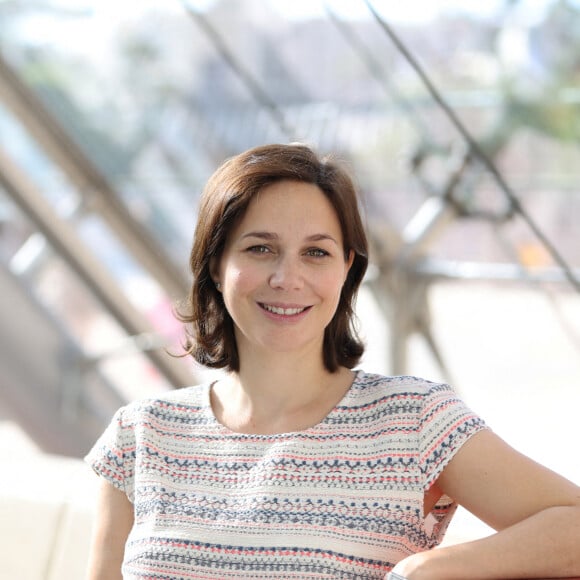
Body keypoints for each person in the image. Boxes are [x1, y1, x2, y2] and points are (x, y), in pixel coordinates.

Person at [85, 143, 580, 580]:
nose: (287, 277)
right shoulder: (142, 434)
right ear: (216, 264)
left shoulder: (413, 420)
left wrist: (431, 569)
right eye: (260, 249)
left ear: (347, 268)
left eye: (316, 253)